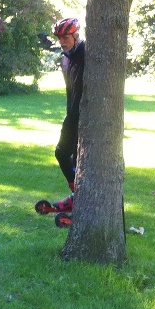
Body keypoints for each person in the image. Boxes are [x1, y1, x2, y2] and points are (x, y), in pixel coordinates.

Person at [52, 17, 85, 213]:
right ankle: (78, 195)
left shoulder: (86, 55)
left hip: (85, 117)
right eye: (59, 38)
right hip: (71, 114)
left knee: (70, 154)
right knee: (63, 153)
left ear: (76, 35)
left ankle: (79, 197)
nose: (62, 42)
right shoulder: (65, 58)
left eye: (66, 37)